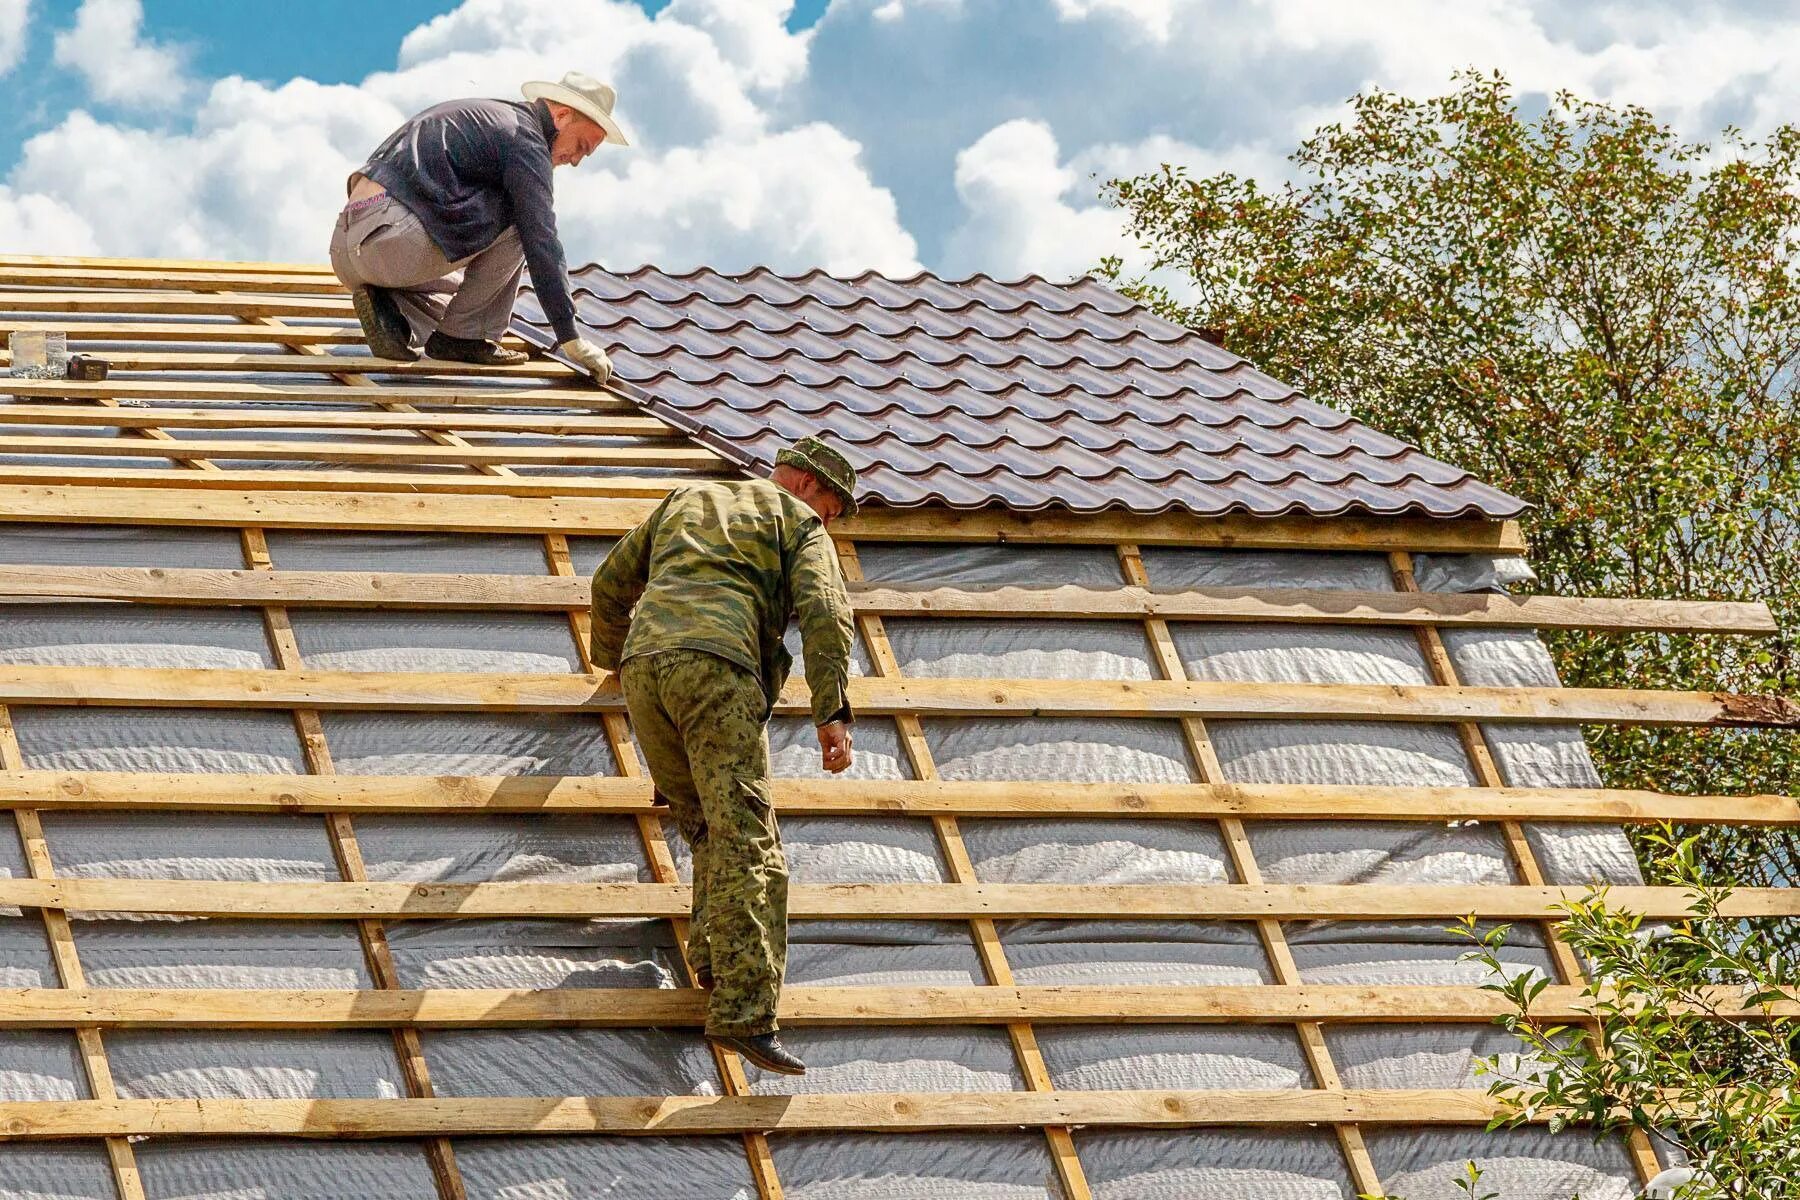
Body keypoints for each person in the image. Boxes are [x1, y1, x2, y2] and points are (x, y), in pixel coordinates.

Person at [589, 438, 860, 1075]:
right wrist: (832, 711)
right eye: (832, 511)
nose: (830, 524)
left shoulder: (687, 498)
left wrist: (612, 665)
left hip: (646, 674)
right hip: (717, 669)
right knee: (749, 840)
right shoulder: (797, 522)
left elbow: (609, 583)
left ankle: (710, 960)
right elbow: (826, 610)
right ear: (808, 487)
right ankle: (746, 1013)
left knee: (709, 825)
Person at [328, 70, 619, 378]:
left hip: (347, 250)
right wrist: (569, 336)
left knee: (454, 299)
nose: (575, 160)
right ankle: (466, 338)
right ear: (561, 115)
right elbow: (542, 240)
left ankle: (393, 313)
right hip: (391, 238)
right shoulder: (527, 141)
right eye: (582, 146)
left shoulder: (492, 118)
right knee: (525, 222)